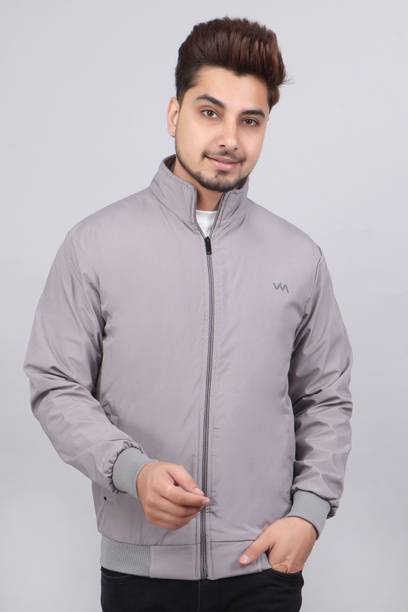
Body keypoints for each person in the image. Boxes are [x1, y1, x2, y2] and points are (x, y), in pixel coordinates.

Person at [23, 15, 354, 612]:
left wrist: (308, 515)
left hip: (262, 566)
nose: (230, 138)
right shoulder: (95, 244)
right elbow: (56, 385)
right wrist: (132, 471)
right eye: (210, 112)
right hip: (140, 573)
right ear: (174, 114)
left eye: (250, 120)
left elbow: (325, 397)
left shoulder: (298, 256)